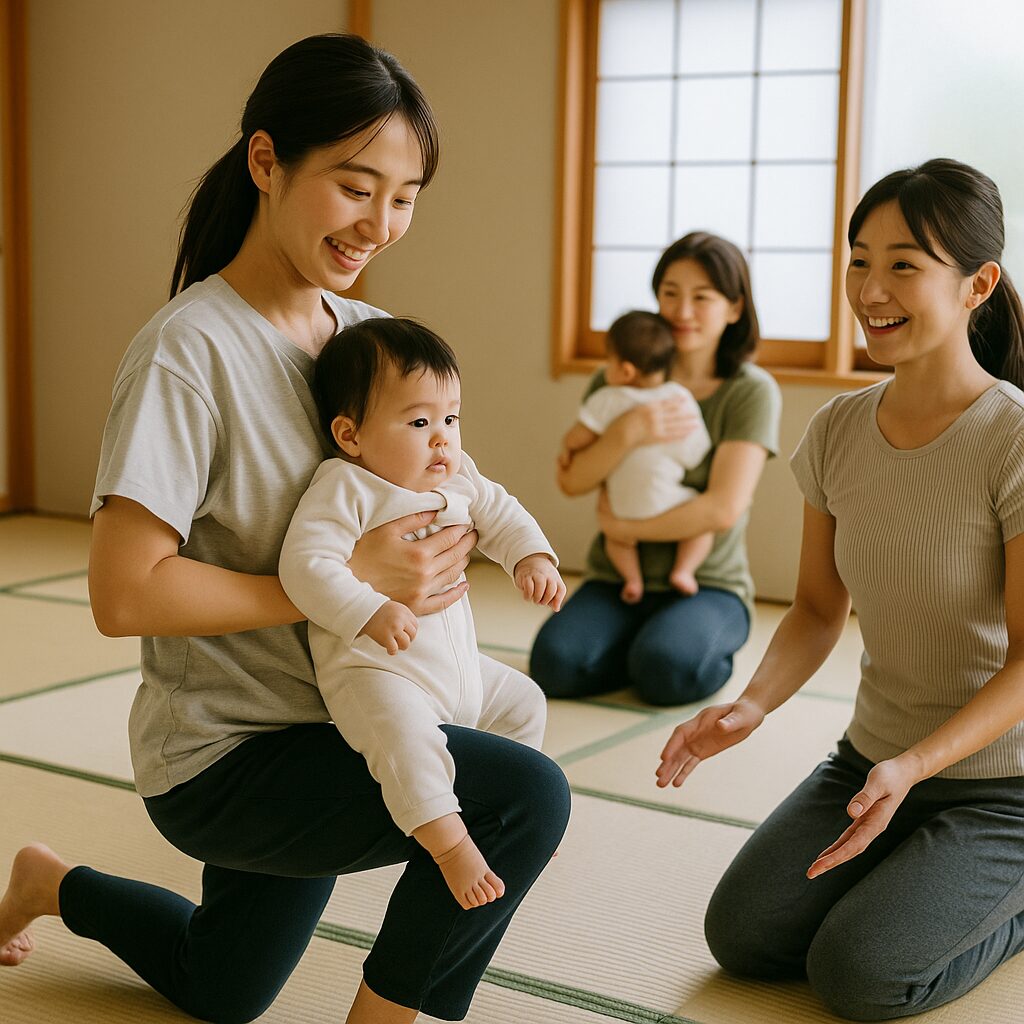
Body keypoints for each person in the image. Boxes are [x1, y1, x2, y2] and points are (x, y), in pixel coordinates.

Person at [0, 34, 570, 1024]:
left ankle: (53, 882)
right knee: (524, 795)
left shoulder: (367, 342)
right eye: (355, 187)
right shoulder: (189, 352)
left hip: (336, 720)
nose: (380, 223)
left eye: (403, 198)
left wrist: (469, 543)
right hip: (232, 756)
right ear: (266, 161)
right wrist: (347, 578)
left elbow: (445, 487)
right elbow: (123, 592)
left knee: (222, 990)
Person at [657, 159, 1024, 1020]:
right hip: (869, 762)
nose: (870, 287)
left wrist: (920, 764)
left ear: (978, 284)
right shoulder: (836, 431)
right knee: (742, 937)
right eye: (859, 259)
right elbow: (820, 610)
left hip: (1001, 785)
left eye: (904, 263)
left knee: (860, 976)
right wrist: (752, 705)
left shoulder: (1011, 440)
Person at [279, 316, 565, 913]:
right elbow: (305, 566)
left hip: (458, 673)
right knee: (408, 747)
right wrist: (368, 609)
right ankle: (449, 843)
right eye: (418, 422)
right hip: (377, 672)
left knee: (525, 702)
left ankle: (492, 799)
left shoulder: (459, 476)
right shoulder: (345, 486)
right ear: (350, 435)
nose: (442, 439)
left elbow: (503, 512)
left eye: (450, 419)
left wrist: (532, 558)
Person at [531, 232, 782, 706]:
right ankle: (642, 639)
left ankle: (666, 644)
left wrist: (622, 525)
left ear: (734, 308)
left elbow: (722, 509)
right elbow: (571, 480)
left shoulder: (749, 390)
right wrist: (628, 431)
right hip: (617, 577)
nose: (682, 311)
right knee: (554, 667)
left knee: (667, 672)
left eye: (701, 297)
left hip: (707, 584)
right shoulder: (618, 377)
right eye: (670, 293)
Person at [559, 309, 712, 604]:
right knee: (700, 528)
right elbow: (695, 454)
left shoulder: (608, 398)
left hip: (620, 508)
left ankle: (632, 579)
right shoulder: (679, 399)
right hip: (669, 505)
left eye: (609, 360)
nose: (605, 369)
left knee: (618, 539)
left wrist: (569, 447)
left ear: (625, 371)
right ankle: (684, 570)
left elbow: (578, 436)